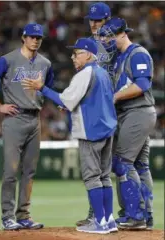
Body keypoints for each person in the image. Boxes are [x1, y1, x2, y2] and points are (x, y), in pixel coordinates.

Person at [22, 37, 117, 234]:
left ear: (89, 54)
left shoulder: (85, 74)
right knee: (105, 177)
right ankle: (108, 220)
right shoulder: (102, 73)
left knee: (92, 177)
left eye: (77, 53)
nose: (73, 57)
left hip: (91, 131)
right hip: (108, 130)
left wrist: (42, 88)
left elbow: (65, 99)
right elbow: (92, 100)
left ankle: (99, 222)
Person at [0, 23, 54, 230]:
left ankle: (23, 215)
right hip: (14, 118)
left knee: (29, 171)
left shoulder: (45, 63)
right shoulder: (7, 60)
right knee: (10, 171)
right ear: (23, 38)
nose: (36, 40)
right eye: (32, 36)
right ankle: (8, 216)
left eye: (39, 37)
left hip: (35, 119)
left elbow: (48, 88)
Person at [99, 17, 156, 230]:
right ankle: (145, 215)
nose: (106, 40)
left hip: (137, 112)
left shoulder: (137, 53)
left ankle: (134, 215)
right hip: (131, 114)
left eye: (110, 36)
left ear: (123, 33)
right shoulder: (118, 57)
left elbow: (142, 84)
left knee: (122, 162)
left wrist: (115, 96)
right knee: (140, 166)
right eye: (104, 37)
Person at [76, 1, 117, 227]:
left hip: (117, 107)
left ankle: (134, 214)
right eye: (91, 20)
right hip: (94, 110)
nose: (94, 23)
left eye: (98, 20)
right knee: (96, 168)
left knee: (120, 166)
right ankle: (97, 214)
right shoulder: (85, 46)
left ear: (107, 21)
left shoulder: (116, 44)